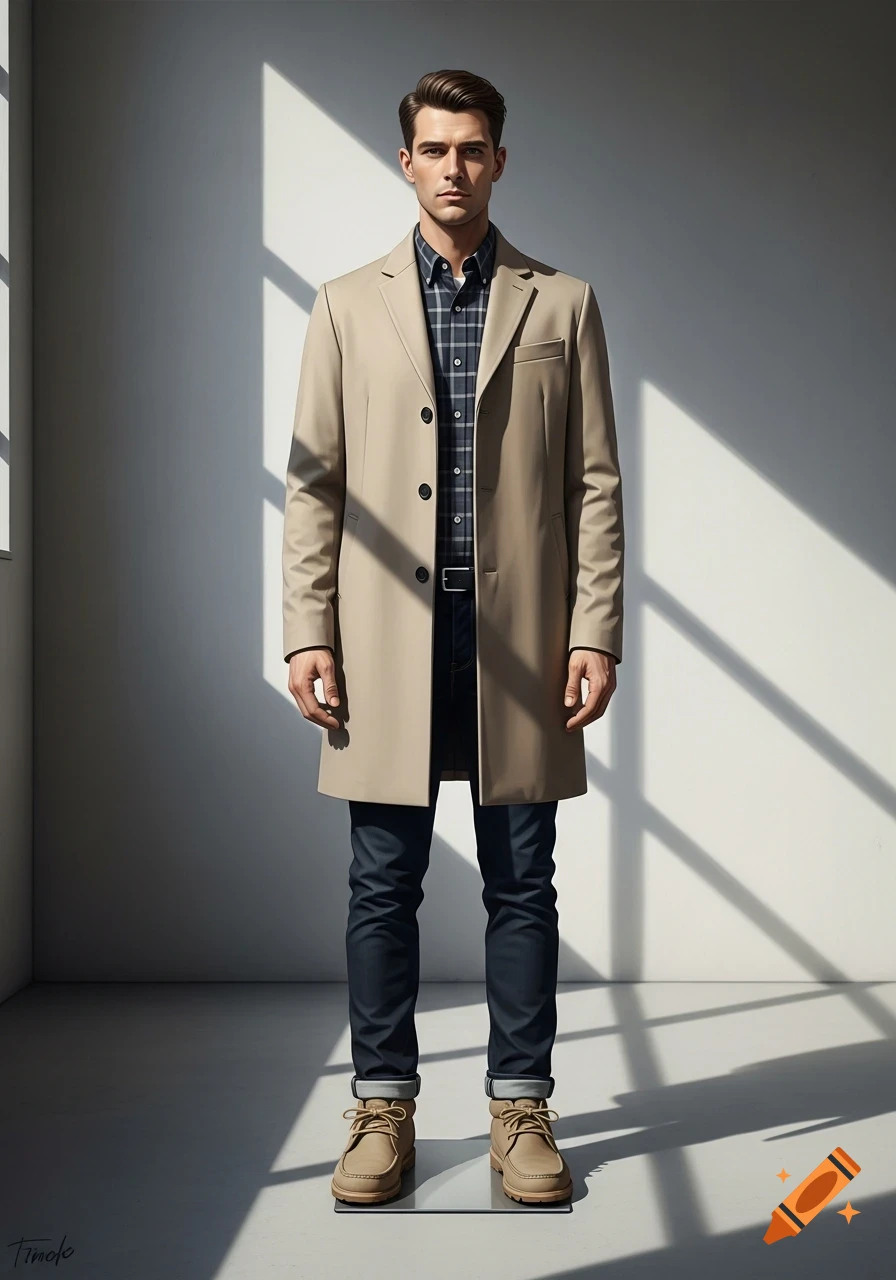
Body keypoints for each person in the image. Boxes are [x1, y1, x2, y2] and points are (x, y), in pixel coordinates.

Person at [281, 68, 624, 1206]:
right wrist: (305, 630)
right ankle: (381, 1106)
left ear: (498, 160)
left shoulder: (560, 302)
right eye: (434, 148)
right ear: (405, 161)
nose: (453, 167)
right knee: (382, 881)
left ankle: (519, 1107)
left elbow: (593, 486)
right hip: (383, 635)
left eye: (472, 148)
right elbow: (315, 484)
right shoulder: (342, 303)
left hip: (519, 634)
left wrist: (596, 629)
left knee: (522, 879)